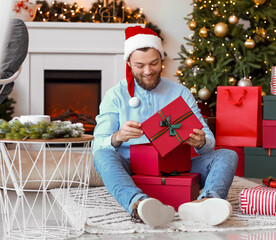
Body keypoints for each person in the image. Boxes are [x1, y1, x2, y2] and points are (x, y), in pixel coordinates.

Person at [92, 26, 238, 228]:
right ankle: (140, 205)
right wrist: (117, 136)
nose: (147, 71)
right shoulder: (115, 95)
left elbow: (209, 142)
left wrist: (201, 141)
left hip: (175, 166)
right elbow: (98, 145)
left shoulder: (180, 92)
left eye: (154, 63)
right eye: (139, 65)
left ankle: (206, 203)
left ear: (162, 60)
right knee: (101, 155)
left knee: (227, 155)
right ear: (129, 64)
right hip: (132, 166)